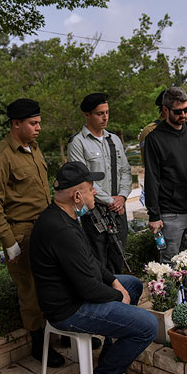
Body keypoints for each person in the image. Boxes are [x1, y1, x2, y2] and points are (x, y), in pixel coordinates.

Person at [30, 161, 157, 374]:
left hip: (76, 293)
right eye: (91, 189)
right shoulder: (61, 230)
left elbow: (90, 261)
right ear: (77, 196)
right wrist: (119, 297)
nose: (95, 192)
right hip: (69, 309)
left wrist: (115, 282)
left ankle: (110, 356)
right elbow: (89, 289)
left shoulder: (64, 215)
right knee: (147, 326)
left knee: (132, 283)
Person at [0, 98, 64, 368]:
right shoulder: (0, 156)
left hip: (46, 229)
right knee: (31, 290)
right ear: (16, 124)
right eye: (33, 123)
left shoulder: (34, 148)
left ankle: (60, 331)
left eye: (39, 122)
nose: (39, 127)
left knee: (55, 282)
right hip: (22, 235)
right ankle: (39, 346)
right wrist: (8, 243)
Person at [143, 86, 187, 301]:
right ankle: (172, 304)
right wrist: (154, 215)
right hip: (171, 213)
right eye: (177, 111)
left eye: (186, 110)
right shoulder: (155, 139)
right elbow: (151, 178)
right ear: (165, 110)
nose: (183, 115)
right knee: (170, 263)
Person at [67, 93, 133, 276]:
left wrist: (122, 197)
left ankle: (119, 298)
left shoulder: (114, 139)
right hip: (95, 211)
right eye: (99, 113)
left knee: (118, 257)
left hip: (118, 209)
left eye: (107, 112)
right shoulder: (77, 143)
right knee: (99, 262)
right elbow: (83, 179)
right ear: (87, 115)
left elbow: (125, 171)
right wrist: (110, 200)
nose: (105, 117)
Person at [138, 90, 167, 165]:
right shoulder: (150, 130)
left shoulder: (186, 129)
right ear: (165, 109)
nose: (183, 114)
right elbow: (149, 163)